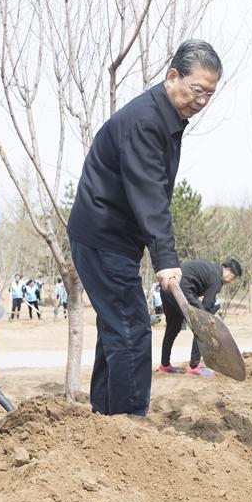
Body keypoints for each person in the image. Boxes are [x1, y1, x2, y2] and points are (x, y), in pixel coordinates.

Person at [67, 39, 222, 416]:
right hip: (104, 236)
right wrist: (166, 259)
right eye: (197, 89)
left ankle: (106, 417)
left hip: (109, 238)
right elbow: (150, 194)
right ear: (173, 76)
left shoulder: (165, 118)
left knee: (115, 329)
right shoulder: (146, 121)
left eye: (209, 94)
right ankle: (129, 424)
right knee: (132, 330)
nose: (202, 101)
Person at [158, 258, 242, 376]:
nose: (230, 281)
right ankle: (194, 367)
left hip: (167, 287)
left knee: (173, 328)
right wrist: (208, 321)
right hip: (182, 289)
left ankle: (165, 365)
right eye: (232, 278)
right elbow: (207, 308)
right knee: (203, 326)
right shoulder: (216, 278)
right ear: (227, 270)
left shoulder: (210, 269)